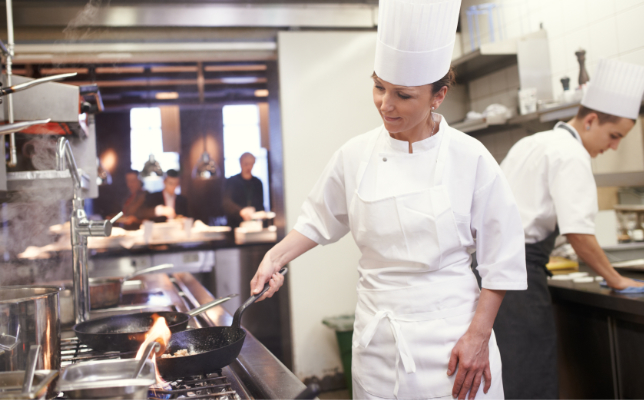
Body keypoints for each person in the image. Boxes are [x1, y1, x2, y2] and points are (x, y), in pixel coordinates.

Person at [249, 1, 527, 399]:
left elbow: (502, 260)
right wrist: (275, 258)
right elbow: (317, 221)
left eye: (403, 95)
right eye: (379, 86)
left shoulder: (471, 158)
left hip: (455, 341)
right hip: (378, 345)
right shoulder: (354, 155)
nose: (385, 104)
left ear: (438, 96)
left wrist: (479, 336)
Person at [497, 58, 644, 399]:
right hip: (519, 277)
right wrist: (617, 279)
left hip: (493, 270)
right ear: (591, 120)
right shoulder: (571, 154)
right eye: (614, 135)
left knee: (511, 372)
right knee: (530, 373)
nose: (613, 146)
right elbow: (579, 234)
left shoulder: (534, 142)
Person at [223, 152, 265, 228]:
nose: (249, 167)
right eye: (246, 164)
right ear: (241, 163)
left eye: (251, 164)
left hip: (254, 225)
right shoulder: (232, 181)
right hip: (236, 225)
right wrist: (240, 211)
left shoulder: (258, 182)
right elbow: (227, 202)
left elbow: (260, 204)